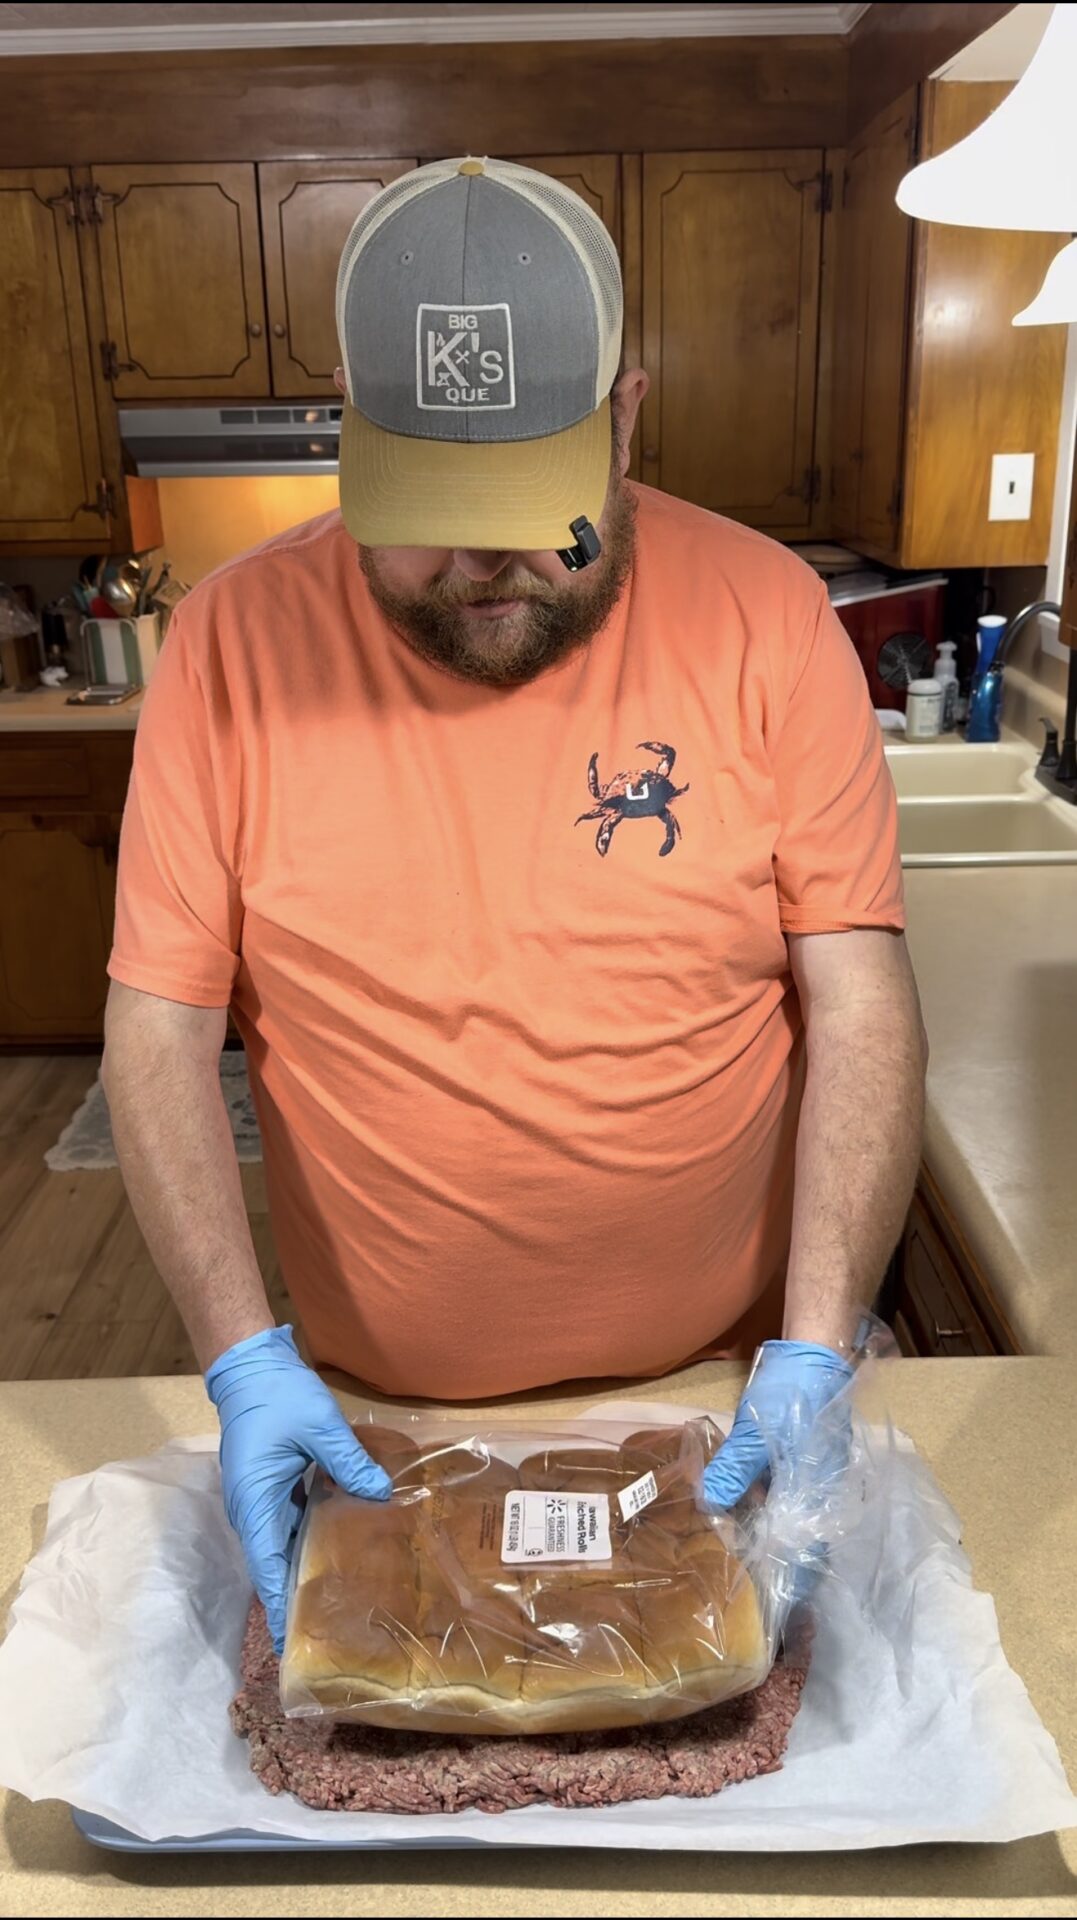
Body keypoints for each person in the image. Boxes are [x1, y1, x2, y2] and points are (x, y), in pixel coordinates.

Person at [102, 158, 926, 1652]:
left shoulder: (765, 617)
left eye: (527, 507)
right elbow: (154, 1033)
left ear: (625, 416)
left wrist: (811, 1347)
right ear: (347, 423)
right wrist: (239, 1359)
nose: (478, 564)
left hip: (718, 1394)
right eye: (426, 510)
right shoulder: (228, 645)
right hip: (363, 1410)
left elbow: (855, 995)